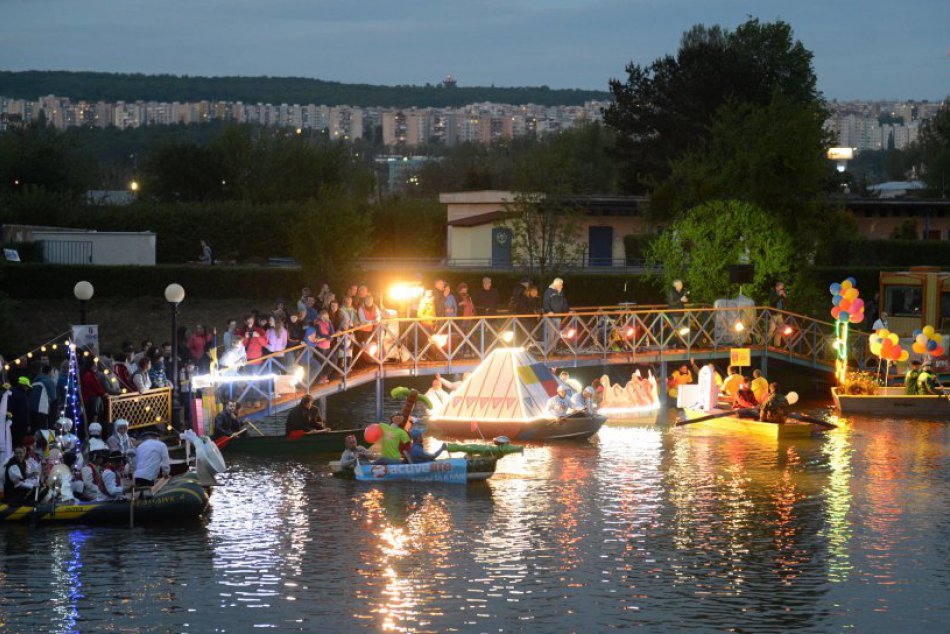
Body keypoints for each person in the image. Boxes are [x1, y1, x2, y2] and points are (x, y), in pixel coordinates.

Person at [542, 278, 570, 353]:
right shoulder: (548, 292)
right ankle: (549, 350)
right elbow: (546, 302)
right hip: (550, 317)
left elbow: (564, 303)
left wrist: (568, 311)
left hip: (558, 316)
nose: (562, 286)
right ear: (556, 284)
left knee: (557, 334)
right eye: (561, 285)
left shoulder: (561, 292)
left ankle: (553, 350)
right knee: (551, 334)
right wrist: (548, 311)